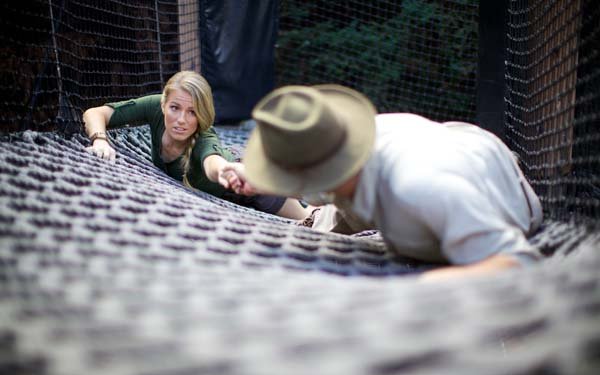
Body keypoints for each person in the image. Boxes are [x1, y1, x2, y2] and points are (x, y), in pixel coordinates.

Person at [236, 84, 544, 279]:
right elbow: (319, 189)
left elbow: (519, 262)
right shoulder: (341, 152)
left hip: (483, 187)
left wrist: (429, 287)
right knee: (313, 244)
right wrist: (261, 180)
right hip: (437, 158)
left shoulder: (420, 186)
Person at [82, 71, 310, 220]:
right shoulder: (154, 108)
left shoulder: (203, 136)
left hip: (249, 178)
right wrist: (100, 139)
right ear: (164, 104)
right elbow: (96, 113)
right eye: (175, 108)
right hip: (235, 182)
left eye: (192, 112)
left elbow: (213, 163)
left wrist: (227, 171)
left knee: (311, 220)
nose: (181, 119)